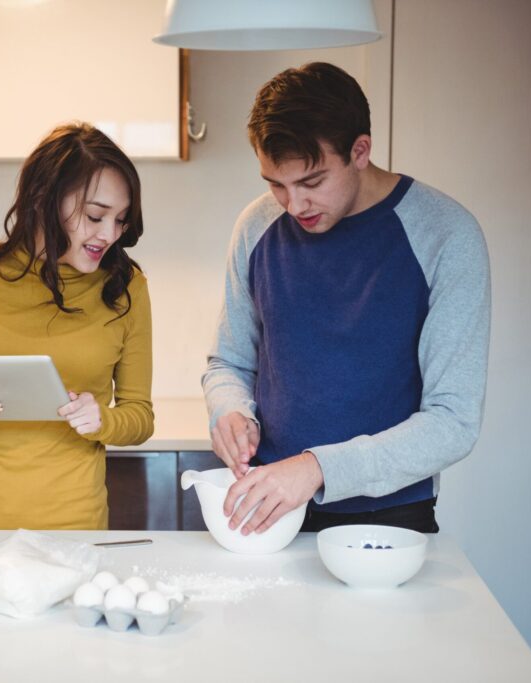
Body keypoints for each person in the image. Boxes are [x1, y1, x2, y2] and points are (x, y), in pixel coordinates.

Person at [203, 62, 490, 535]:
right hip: (269, 509)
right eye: (276, 184)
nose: (294, 206)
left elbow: (453, 421)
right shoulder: (256, 226)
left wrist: (316, 469)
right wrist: (229, 409)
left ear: (360, 150)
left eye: (312, 182)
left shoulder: (446, 235)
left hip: (389, 519)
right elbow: (227, 362)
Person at [0, 123, 153, 530]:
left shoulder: (126, 287)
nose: (109, 234)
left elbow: (140, 417)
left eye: (120, 220)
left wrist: (103, 420)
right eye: (96, 215)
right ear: (44, 199)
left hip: (71, 528)